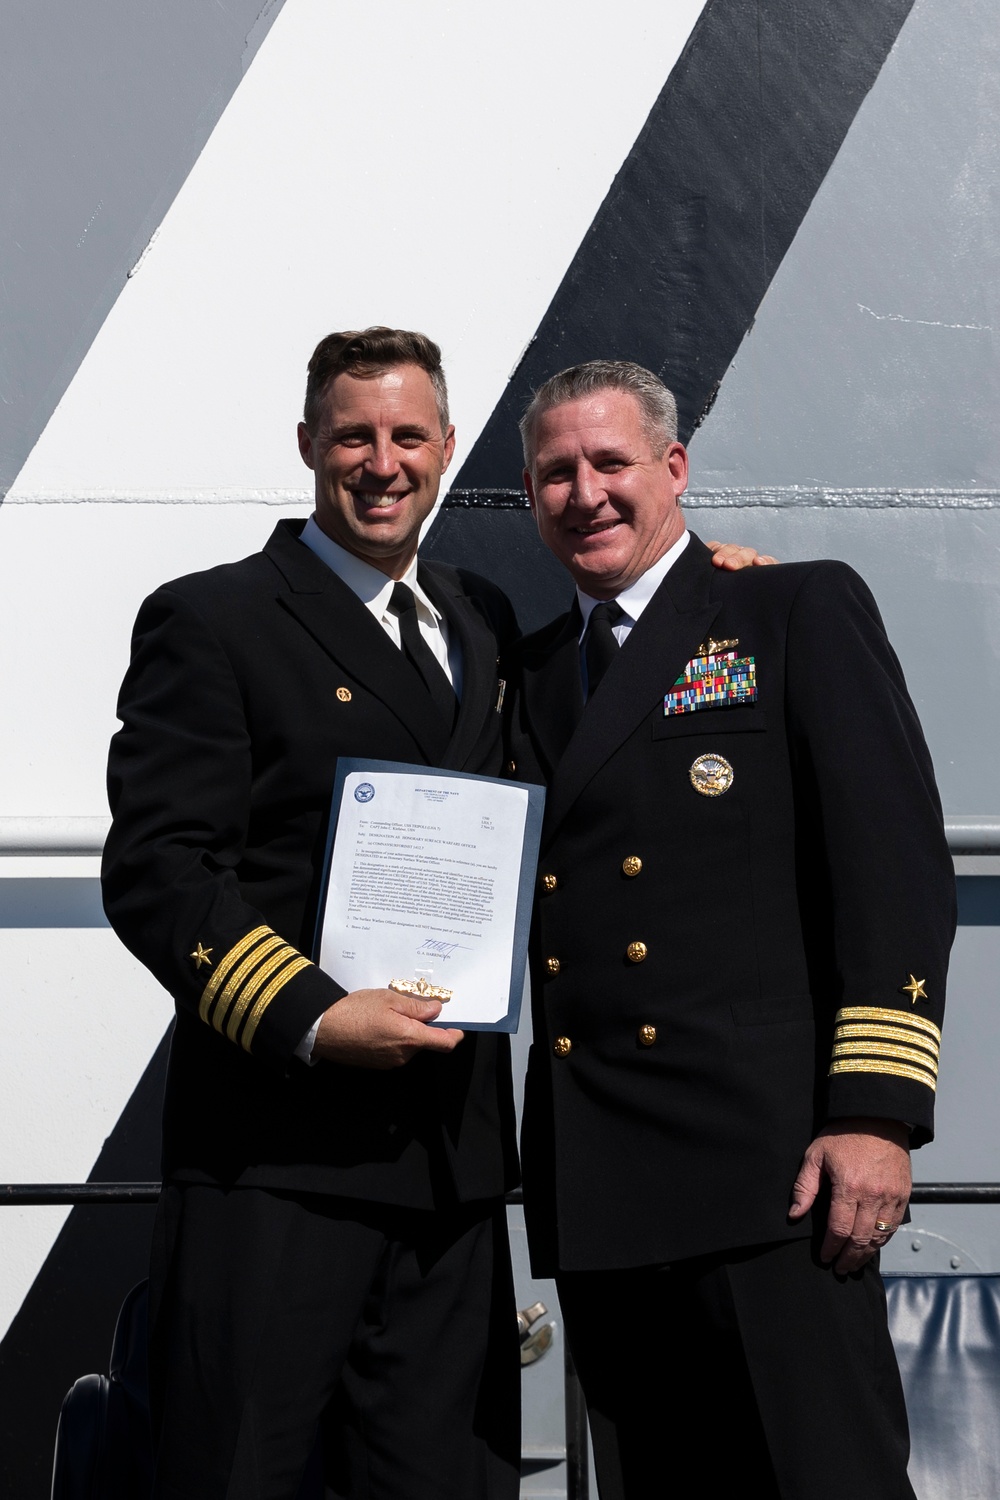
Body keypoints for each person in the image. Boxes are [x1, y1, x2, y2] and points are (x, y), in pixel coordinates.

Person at [101, 325, 771, 1498]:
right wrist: (312, 1015)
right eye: (353, 436)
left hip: (451, 1171)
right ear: (308, 445)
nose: (381, 461)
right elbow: (160, 870)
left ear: (447, 448)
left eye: (408, 436)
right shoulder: (215, 621)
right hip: (277, 1162)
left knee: (447, 1483)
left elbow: (598, 718)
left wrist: (710, 606)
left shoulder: (483, 624)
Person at [509, 359, 956, 1500]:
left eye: (610, 463)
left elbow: (893, 870)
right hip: (607, 1189)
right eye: (555, 473)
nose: (585, 493)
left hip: (773, 1181)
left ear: (673, 468)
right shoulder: (528, 679)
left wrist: (875, 1115)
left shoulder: (787, 608)